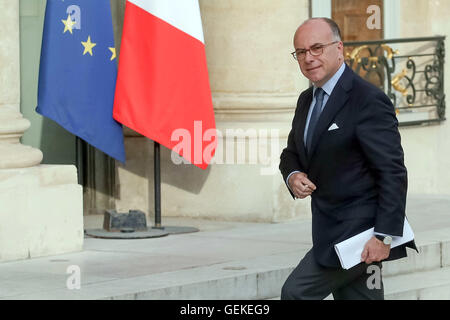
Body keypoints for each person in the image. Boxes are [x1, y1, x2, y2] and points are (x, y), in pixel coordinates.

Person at [279, 17, 417, 300]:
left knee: (295, 293)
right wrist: (293, 175)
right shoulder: (307, 100)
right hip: (329, 230)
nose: (309, 58)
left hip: (360, 235)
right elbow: (291, 153)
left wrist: (384, 237)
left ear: (339, 48)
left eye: (317, 48)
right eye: (301, 52)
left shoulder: (367, 99)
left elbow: (392, 172)